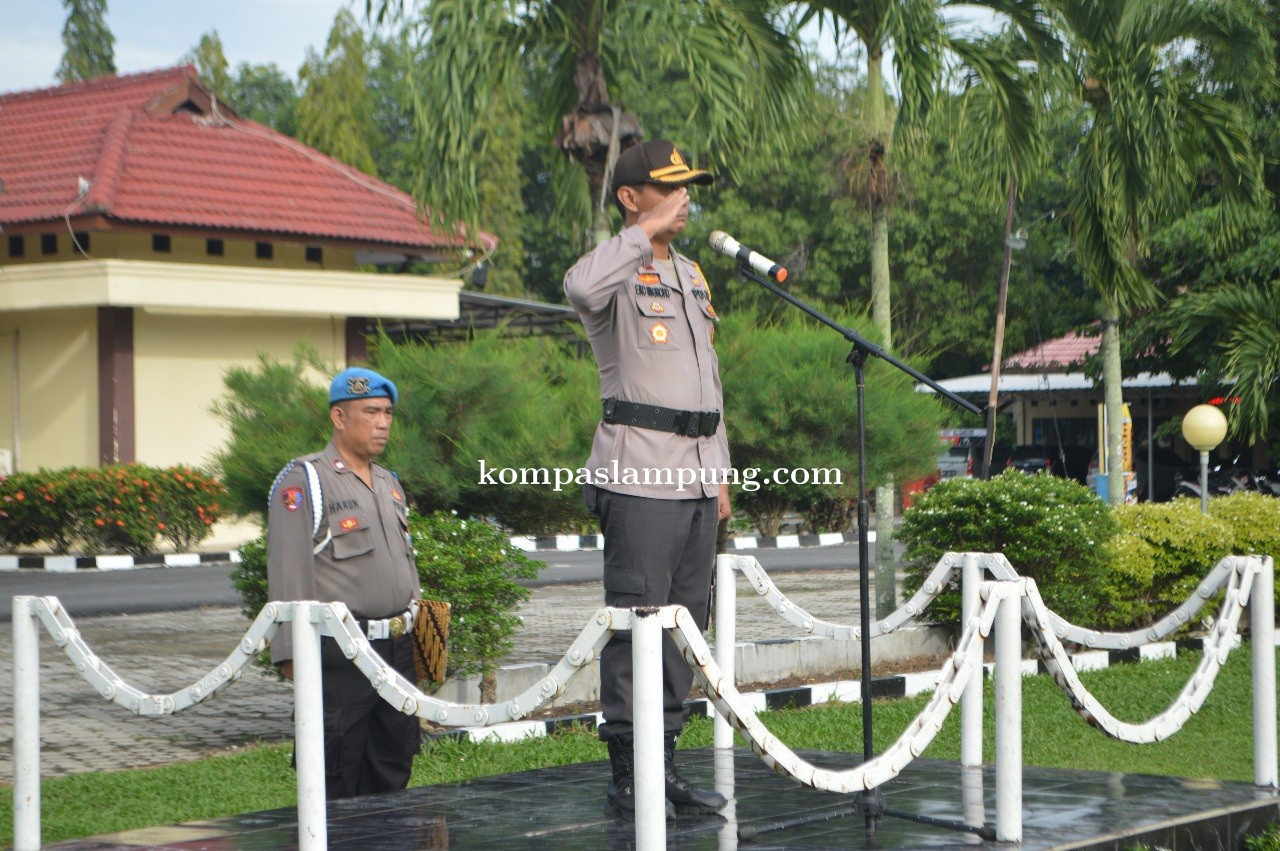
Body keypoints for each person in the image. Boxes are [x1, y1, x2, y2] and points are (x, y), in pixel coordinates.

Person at [564, 139, 731, 819]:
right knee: (638, 629)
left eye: (688, 186)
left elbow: (708, 385)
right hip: (638, 478)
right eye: (670, 188)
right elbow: (577, 286)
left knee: (685, 628)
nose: (684, 198)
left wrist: (719, 476)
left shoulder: (692, 275)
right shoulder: (615, 271)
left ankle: (665, 768)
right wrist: (642, 235)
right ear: (631, 196)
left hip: (695, 481)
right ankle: (629, 776)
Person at [266, 366, 421, 800]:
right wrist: (291, 655)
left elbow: (406, 566)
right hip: (340, 655)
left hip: (395, 649)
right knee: (336, 772)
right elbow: (287, 573)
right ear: (339, 417)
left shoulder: (389, 483)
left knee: (393, 764)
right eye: (371, 411)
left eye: (388, 412)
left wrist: (421, 630)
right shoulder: (305, 480)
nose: (383, 422)